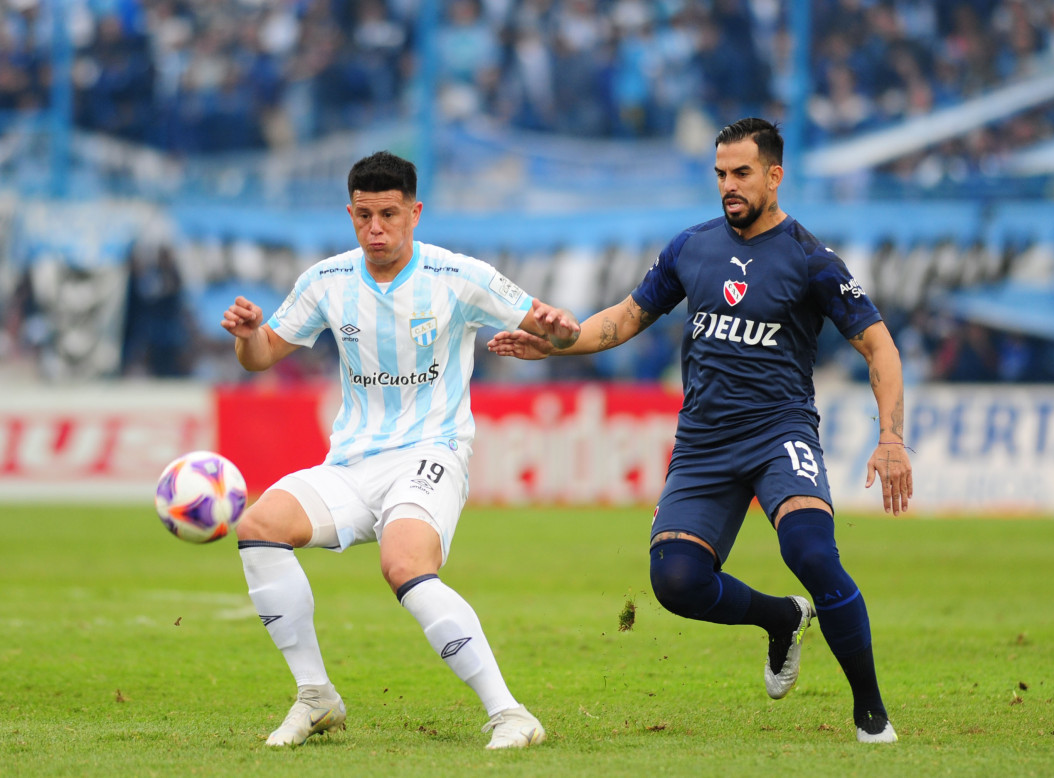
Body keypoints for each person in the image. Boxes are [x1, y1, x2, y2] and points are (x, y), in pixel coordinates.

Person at [488, 117, 912, 744]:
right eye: (720, 174)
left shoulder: (811, 260)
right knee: (676, 582)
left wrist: (892, 438)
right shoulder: (692, 247)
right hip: (704, 443)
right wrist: (558, 346)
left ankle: (871, 714)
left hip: (778, 432)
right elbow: (627, 318)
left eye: (741, 173)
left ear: (775, 175)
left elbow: (880, 348)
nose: (728, 186)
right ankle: (781, 620)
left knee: (811, 553)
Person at [220, 150, 579, 749]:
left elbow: (550, 325)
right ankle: (316, 697)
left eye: (388, 214)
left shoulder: (458, 275)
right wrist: (247, 336)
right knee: (258, 526)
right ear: (350, 213)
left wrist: (557, 328)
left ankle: (510, 713)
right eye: (363, 216)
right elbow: (261, 356)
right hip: (353, 463)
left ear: (415, 213)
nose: (375, 229)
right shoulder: (327, 280)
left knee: (405, 565)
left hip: (431, 452)